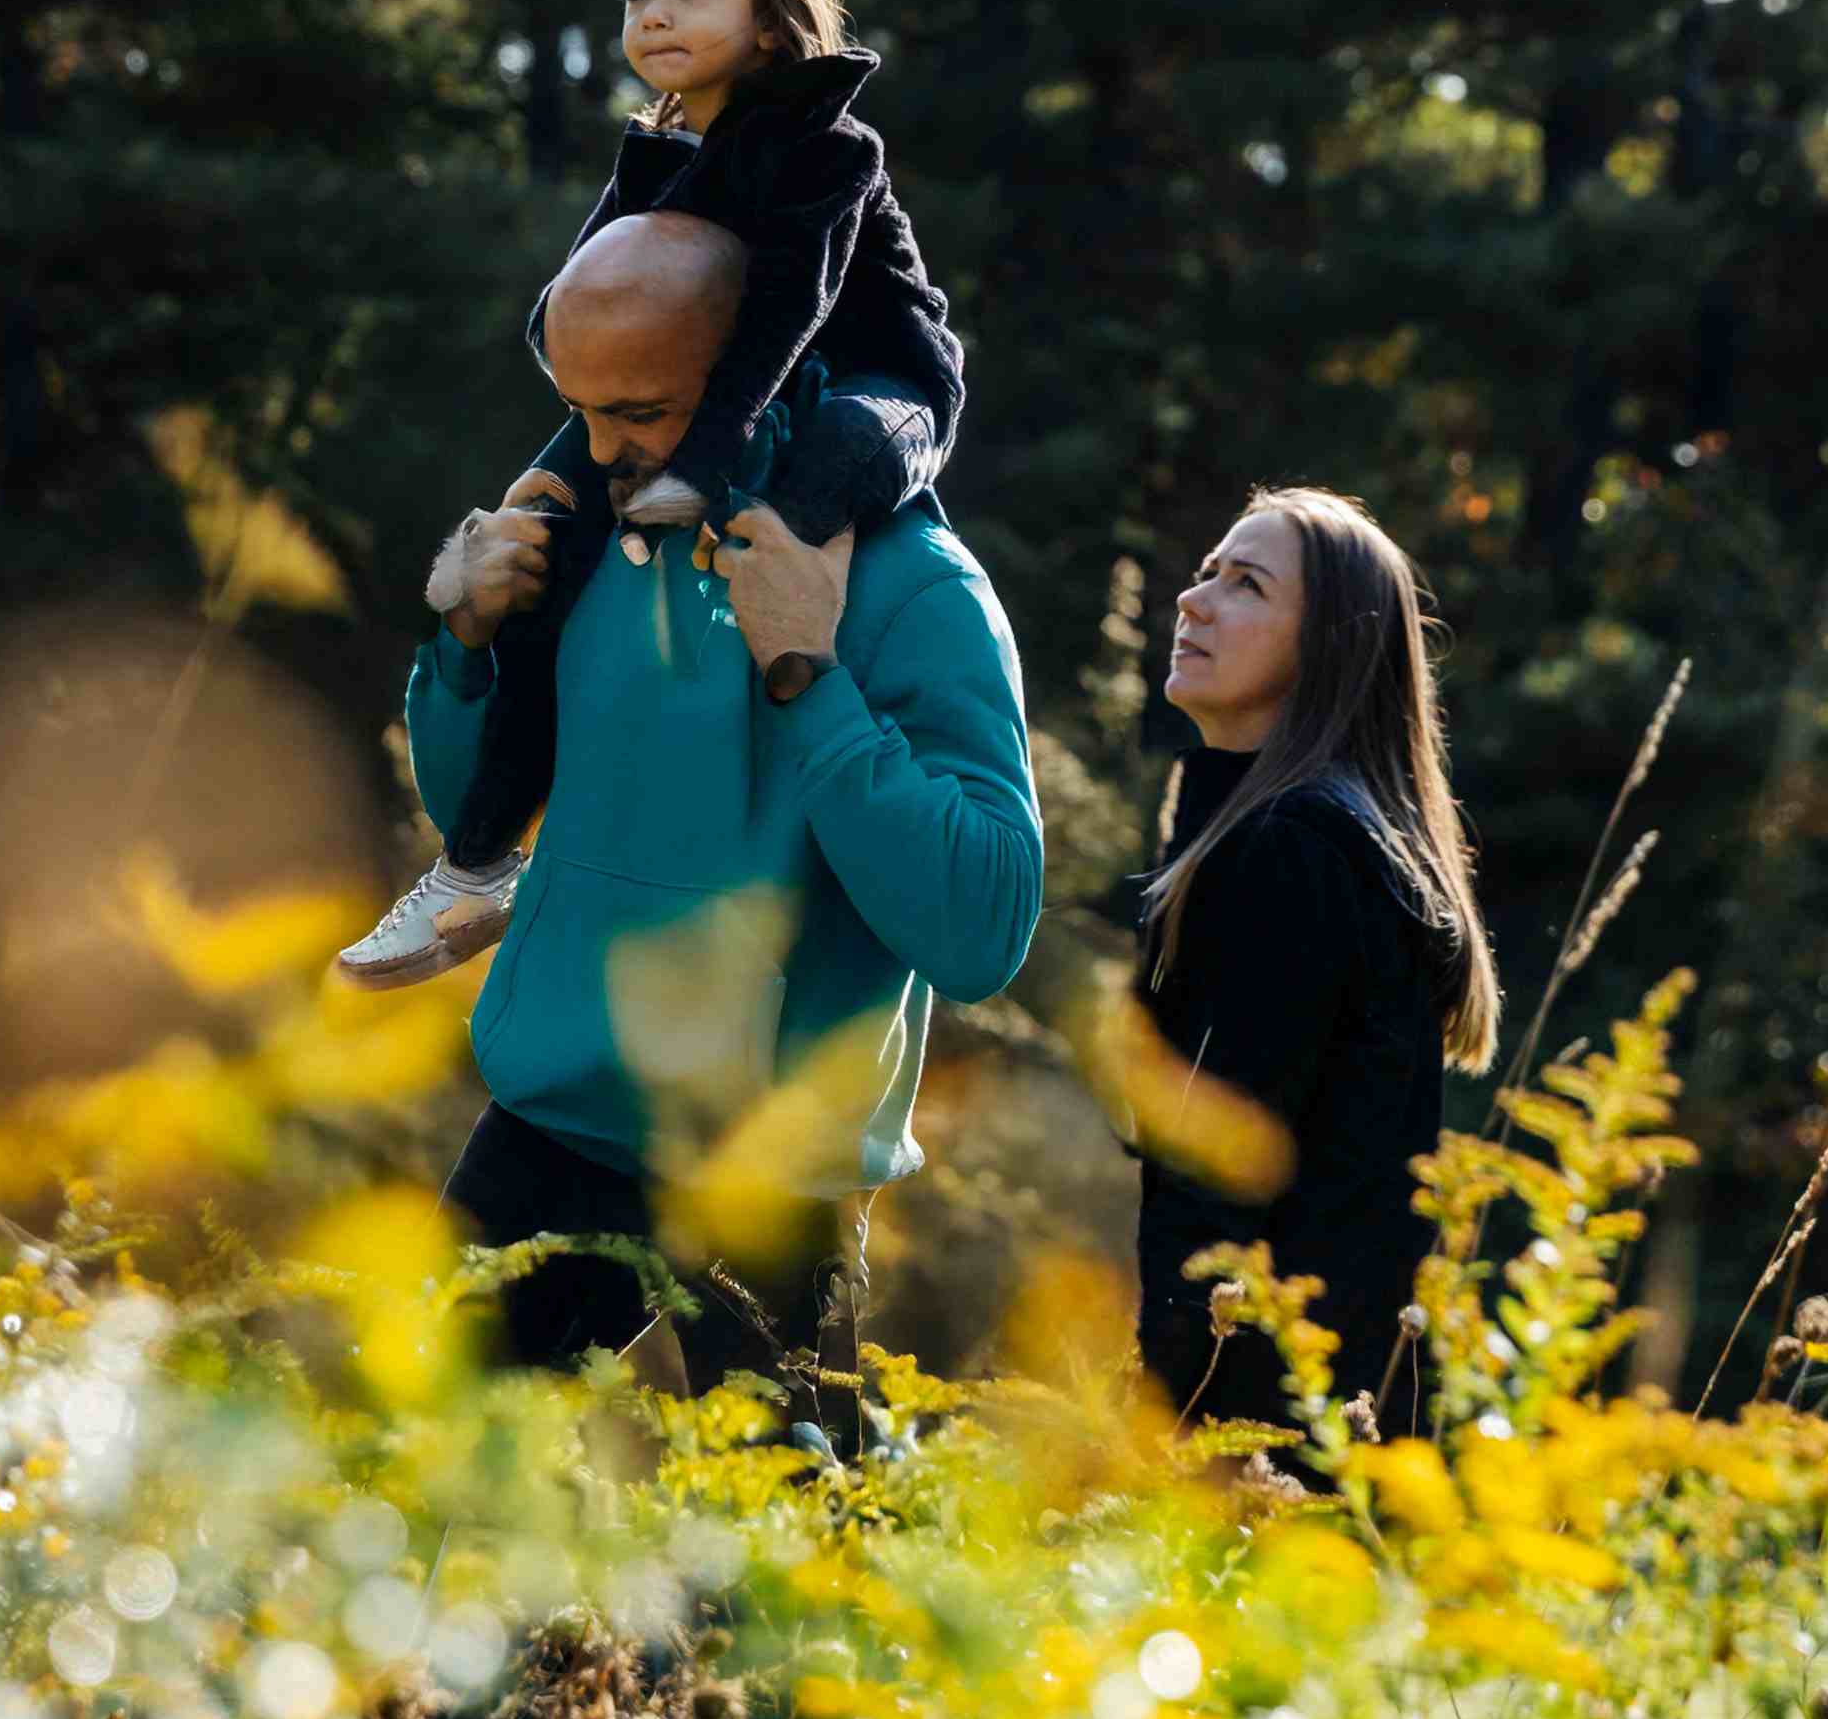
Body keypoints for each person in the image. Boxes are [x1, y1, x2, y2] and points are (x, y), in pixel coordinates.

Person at [399, 208, 1039, 1408]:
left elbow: (981, 925)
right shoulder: (590, 528)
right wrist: (469, 646)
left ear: (758, 367)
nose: (602, 451)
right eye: (581, 409)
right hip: (557, 1119)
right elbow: (472, 811)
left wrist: (808, 670)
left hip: (771, 1178)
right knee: (407, 1494)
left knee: (769, 1576)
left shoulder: (912, 584)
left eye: (639, 412)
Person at [336, 0, 967, 989]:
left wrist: (711, 457)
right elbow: (570, 301)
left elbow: (788, 312)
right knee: (555, 528)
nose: (654, 15)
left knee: (823, 463)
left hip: (881, 379)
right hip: (709, 390)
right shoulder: (661, 147)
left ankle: (789, 638)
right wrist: (577, 450)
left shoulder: (830, 143)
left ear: (771, 16)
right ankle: (477, 858)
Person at [1129, 487, 1500, 1440]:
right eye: (1207, 570)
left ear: (1327, 646)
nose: (1193, 599)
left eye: (1245, 583)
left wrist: (1167, 1421)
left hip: (1269, 1413)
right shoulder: (1302, 832)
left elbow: (1221, 1171)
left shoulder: (1295, 851)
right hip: (1335, 1402)